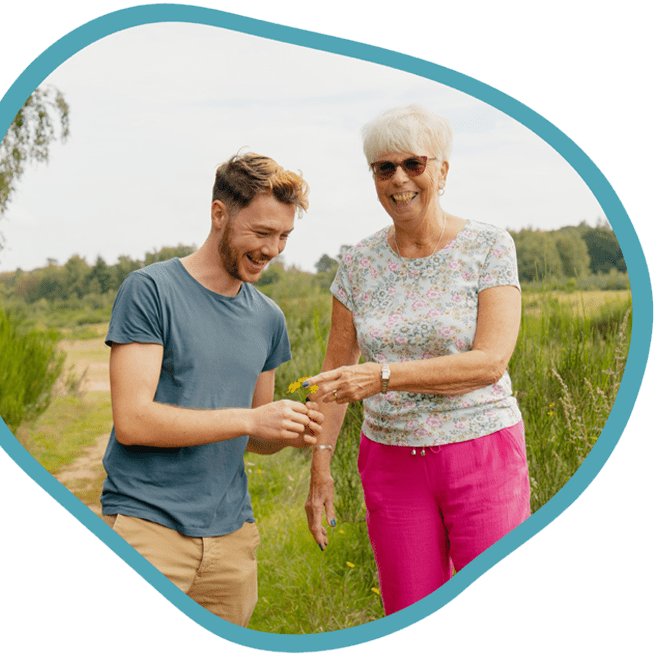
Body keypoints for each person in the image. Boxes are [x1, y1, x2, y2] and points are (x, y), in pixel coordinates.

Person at [303, 105, 531, 615]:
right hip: (391, 463)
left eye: (414, 163)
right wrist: (321, 467)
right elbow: (335, 376)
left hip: (482, 452)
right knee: (409, 614)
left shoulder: (489, 245)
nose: (399, 178)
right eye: (384, 168)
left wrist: (384, 377)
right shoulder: (358, 262)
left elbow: (489, 362)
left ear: (442, 171)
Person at [100, 152, 323, 627]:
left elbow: (258, 437)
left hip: (232, 543)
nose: (273, 249)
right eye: (261, 233)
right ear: (219, 214)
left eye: (284, 236)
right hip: (148, 530)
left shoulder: (268, 317)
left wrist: (287, 429)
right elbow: (133, 420)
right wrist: (249, 419)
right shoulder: (150, 290)